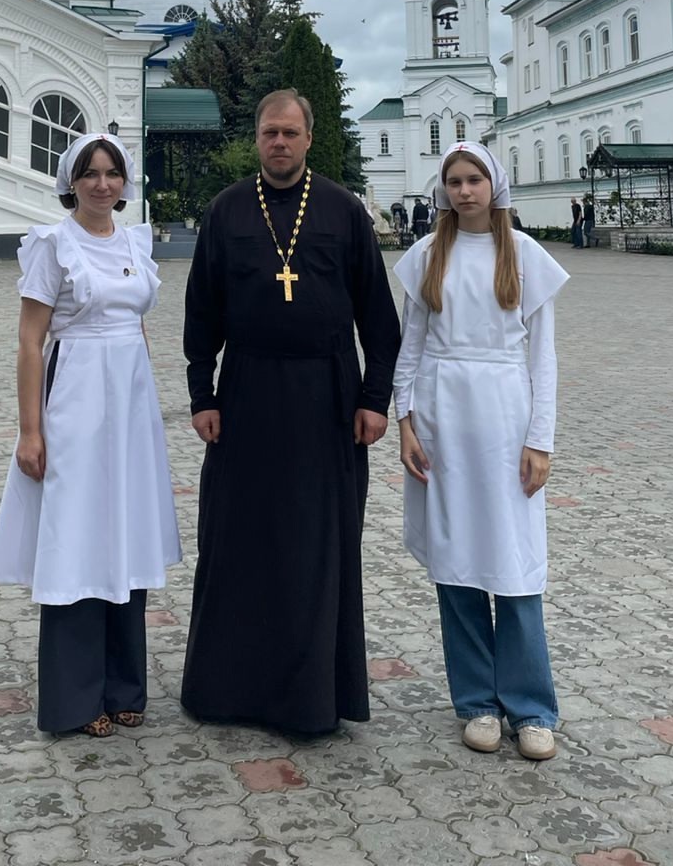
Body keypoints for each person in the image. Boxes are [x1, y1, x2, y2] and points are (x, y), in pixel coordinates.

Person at [181, 88, 401, 735]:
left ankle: (310, 699)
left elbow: (379, 318)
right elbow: (201, 310)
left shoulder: (343, 210)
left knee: (316, 545)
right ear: (257, 139)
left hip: (327, 397)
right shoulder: (226, 210)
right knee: (238, 539)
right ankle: (229, 690)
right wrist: (201, 394)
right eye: (269, 133)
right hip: (246, 393)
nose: (279, 142)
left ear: (309, 137)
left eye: (290, 132)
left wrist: (374, 399)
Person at [0, 133, 180, 736]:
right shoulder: (54, 245)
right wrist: (30, 430)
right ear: (72, 181)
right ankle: (76, 697)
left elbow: (135, 326)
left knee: (125, 532)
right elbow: (29, 342)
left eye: (111, 173)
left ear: (124, 182)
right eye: (90, 174)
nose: (101, 184)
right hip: (75, 401)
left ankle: (125, 686)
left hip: (130, 409)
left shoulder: (135, 241)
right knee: (78, 535)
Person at [394, 142, 569, 761]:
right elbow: (411, 345)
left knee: (513, 562)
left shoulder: (523, 254)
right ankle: (475, 701)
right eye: (454, 181)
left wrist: (540, 440)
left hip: (504, 415)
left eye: (474, 180)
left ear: (494, 186)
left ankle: (531, 706)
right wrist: (405, 421)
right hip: (443, 417)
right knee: (458, 559)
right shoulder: (427, 255)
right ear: (443, 188)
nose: (464, 190)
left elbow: (542, 358)